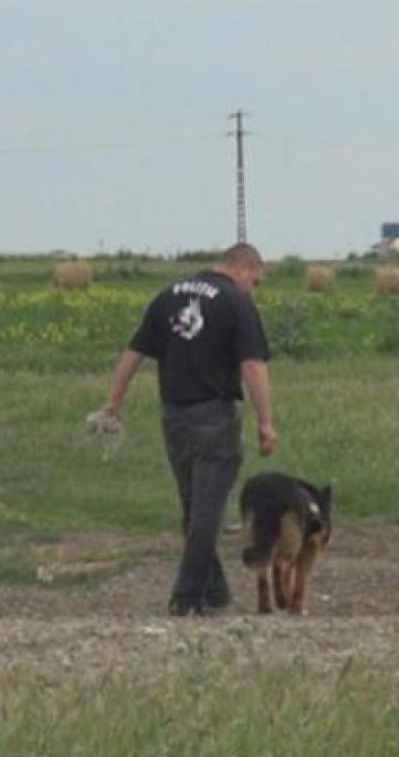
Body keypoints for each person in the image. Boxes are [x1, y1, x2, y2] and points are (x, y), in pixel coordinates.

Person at [99, 243, 277, 616]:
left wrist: (114, 401)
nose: (253, 290)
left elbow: (134, 352)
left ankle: (215, 591)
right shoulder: (236, 303)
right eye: (256, 281)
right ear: (244, 268)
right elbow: (253, 366)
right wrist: (265, 422)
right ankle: (187, 597)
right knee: (206, 514)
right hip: (214, 417)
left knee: (194, 508)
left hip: (174, 417)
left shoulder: (168, 296)